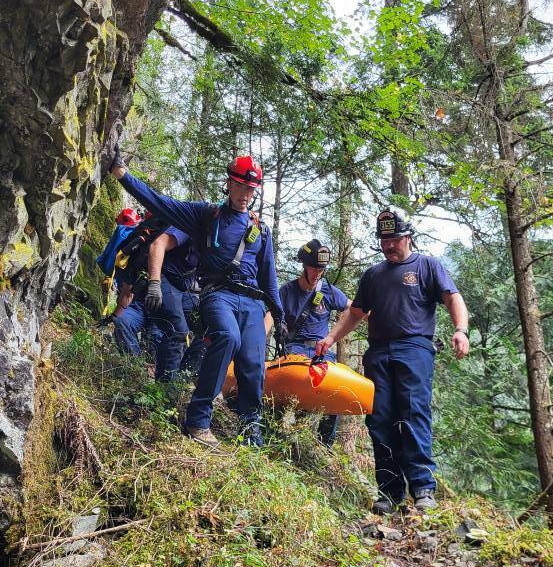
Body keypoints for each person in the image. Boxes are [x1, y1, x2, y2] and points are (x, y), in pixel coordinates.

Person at [111, 150, 283, 448]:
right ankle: (198, 420)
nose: (246, 194)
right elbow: (160, 202)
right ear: (229, 184)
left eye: (252, 190)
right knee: (227, 337)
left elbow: (269, 278)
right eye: (241, 187)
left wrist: (279, 316)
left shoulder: (261, 230)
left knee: (253, 362)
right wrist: (123, 175)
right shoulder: (207, 216)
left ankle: (251, 429)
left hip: (253, 303)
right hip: (218, 295)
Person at [315, 207, 469, 514]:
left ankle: (423, 488)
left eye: (394, 239)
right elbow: (356, 313)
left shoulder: (427, 265)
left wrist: (461, 330)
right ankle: (389, 491)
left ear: (408, 237)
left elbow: (453, 298)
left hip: (415, 348)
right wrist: (331, 338)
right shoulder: (373, 275)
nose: (388, 246)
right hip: (379, 352)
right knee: (380, 419)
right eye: (384, 240)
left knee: (413, 414)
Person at [267, 239, 350, 446]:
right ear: (304, 266)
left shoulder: (328, 291)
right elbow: (269, 316)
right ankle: (279, 437)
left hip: (322, 351)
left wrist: (333, 335)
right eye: (313, 268)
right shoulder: (286, 291)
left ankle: (324, 446)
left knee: (334, 389)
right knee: (294, 384)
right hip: (295, 348)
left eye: (320, 269)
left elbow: (354, 309)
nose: (316, 273)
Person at [112, 225, 206, 382]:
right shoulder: (143, 260)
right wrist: (114, 317)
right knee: (122, 322)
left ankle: (179, 377)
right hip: (142, 305)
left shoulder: (188, 266)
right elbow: (126, 293)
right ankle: (136, 370)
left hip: (167, 308)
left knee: (164, 335)